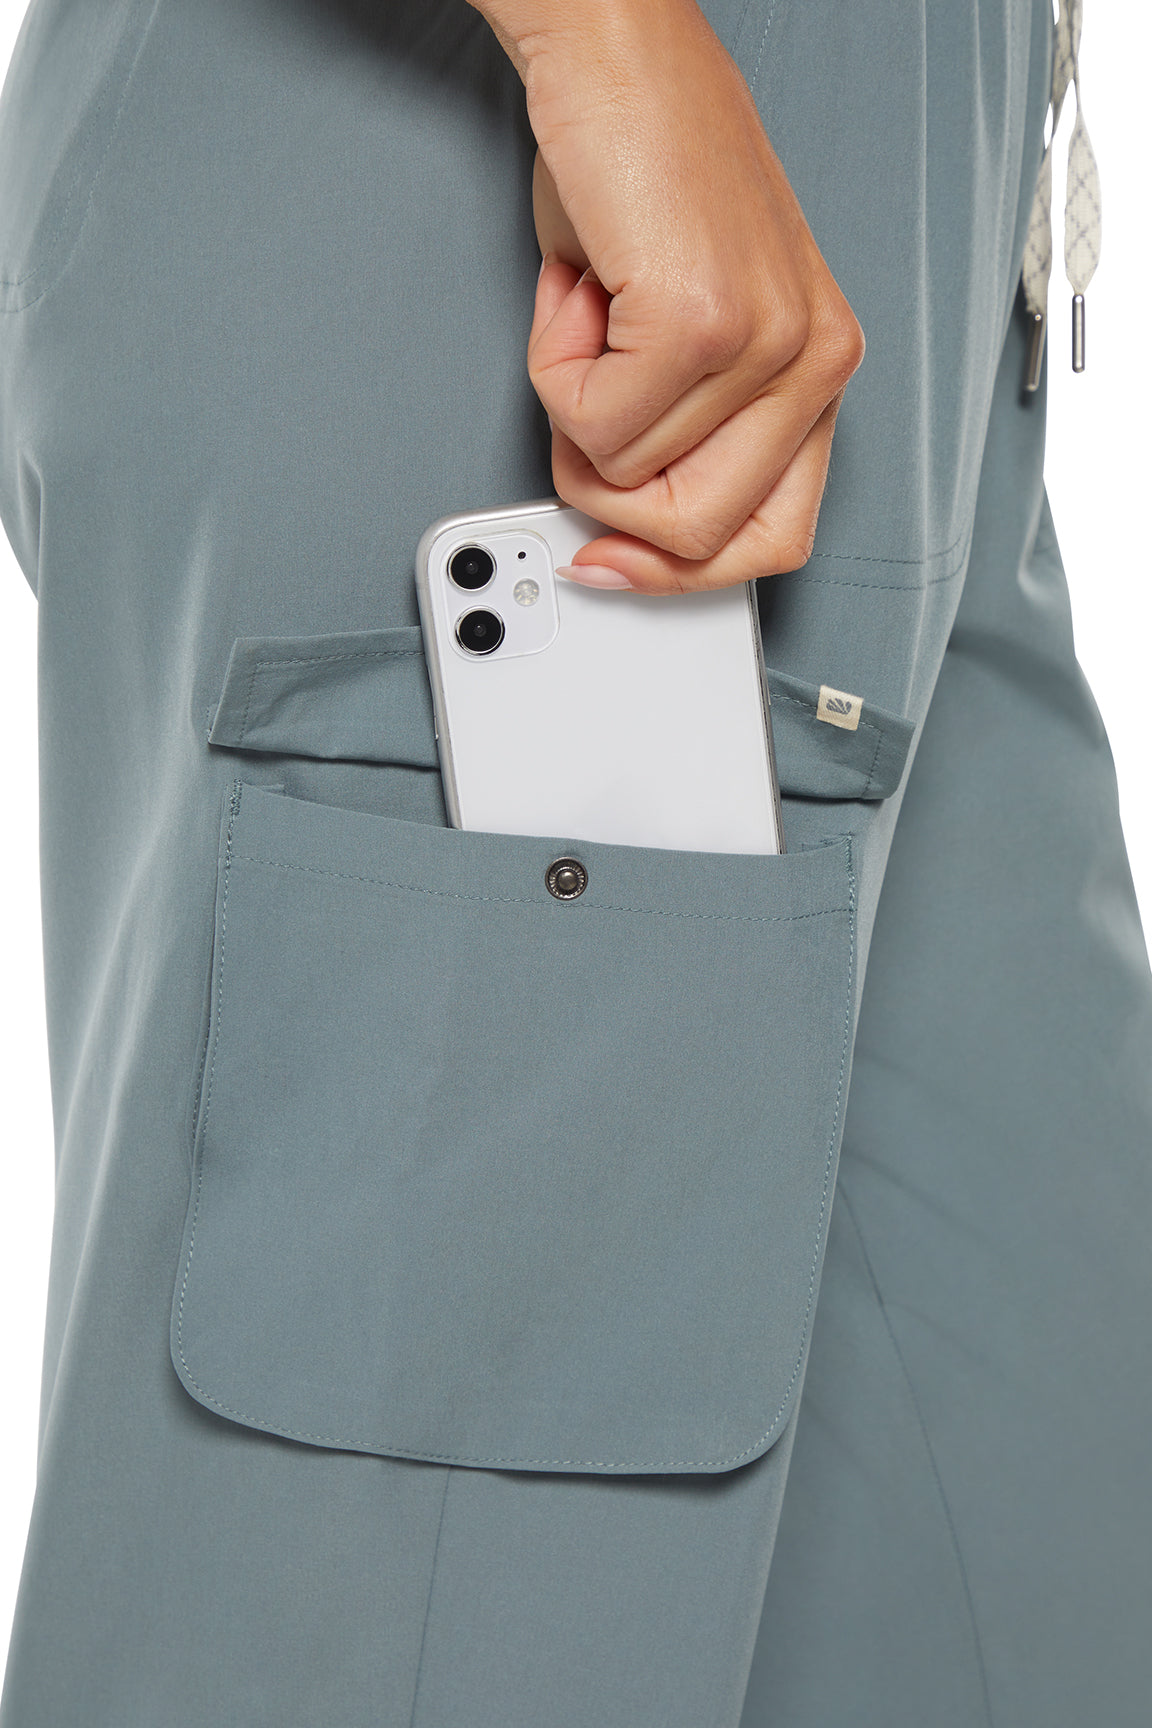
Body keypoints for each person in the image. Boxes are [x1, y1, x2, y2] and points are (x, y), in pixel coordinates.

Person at [0, 1, 1147, 1723]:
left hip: (913, 214)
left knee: (1017, 1570)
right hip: (516, 172)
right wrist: (600, 38)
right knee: (390, 1634)